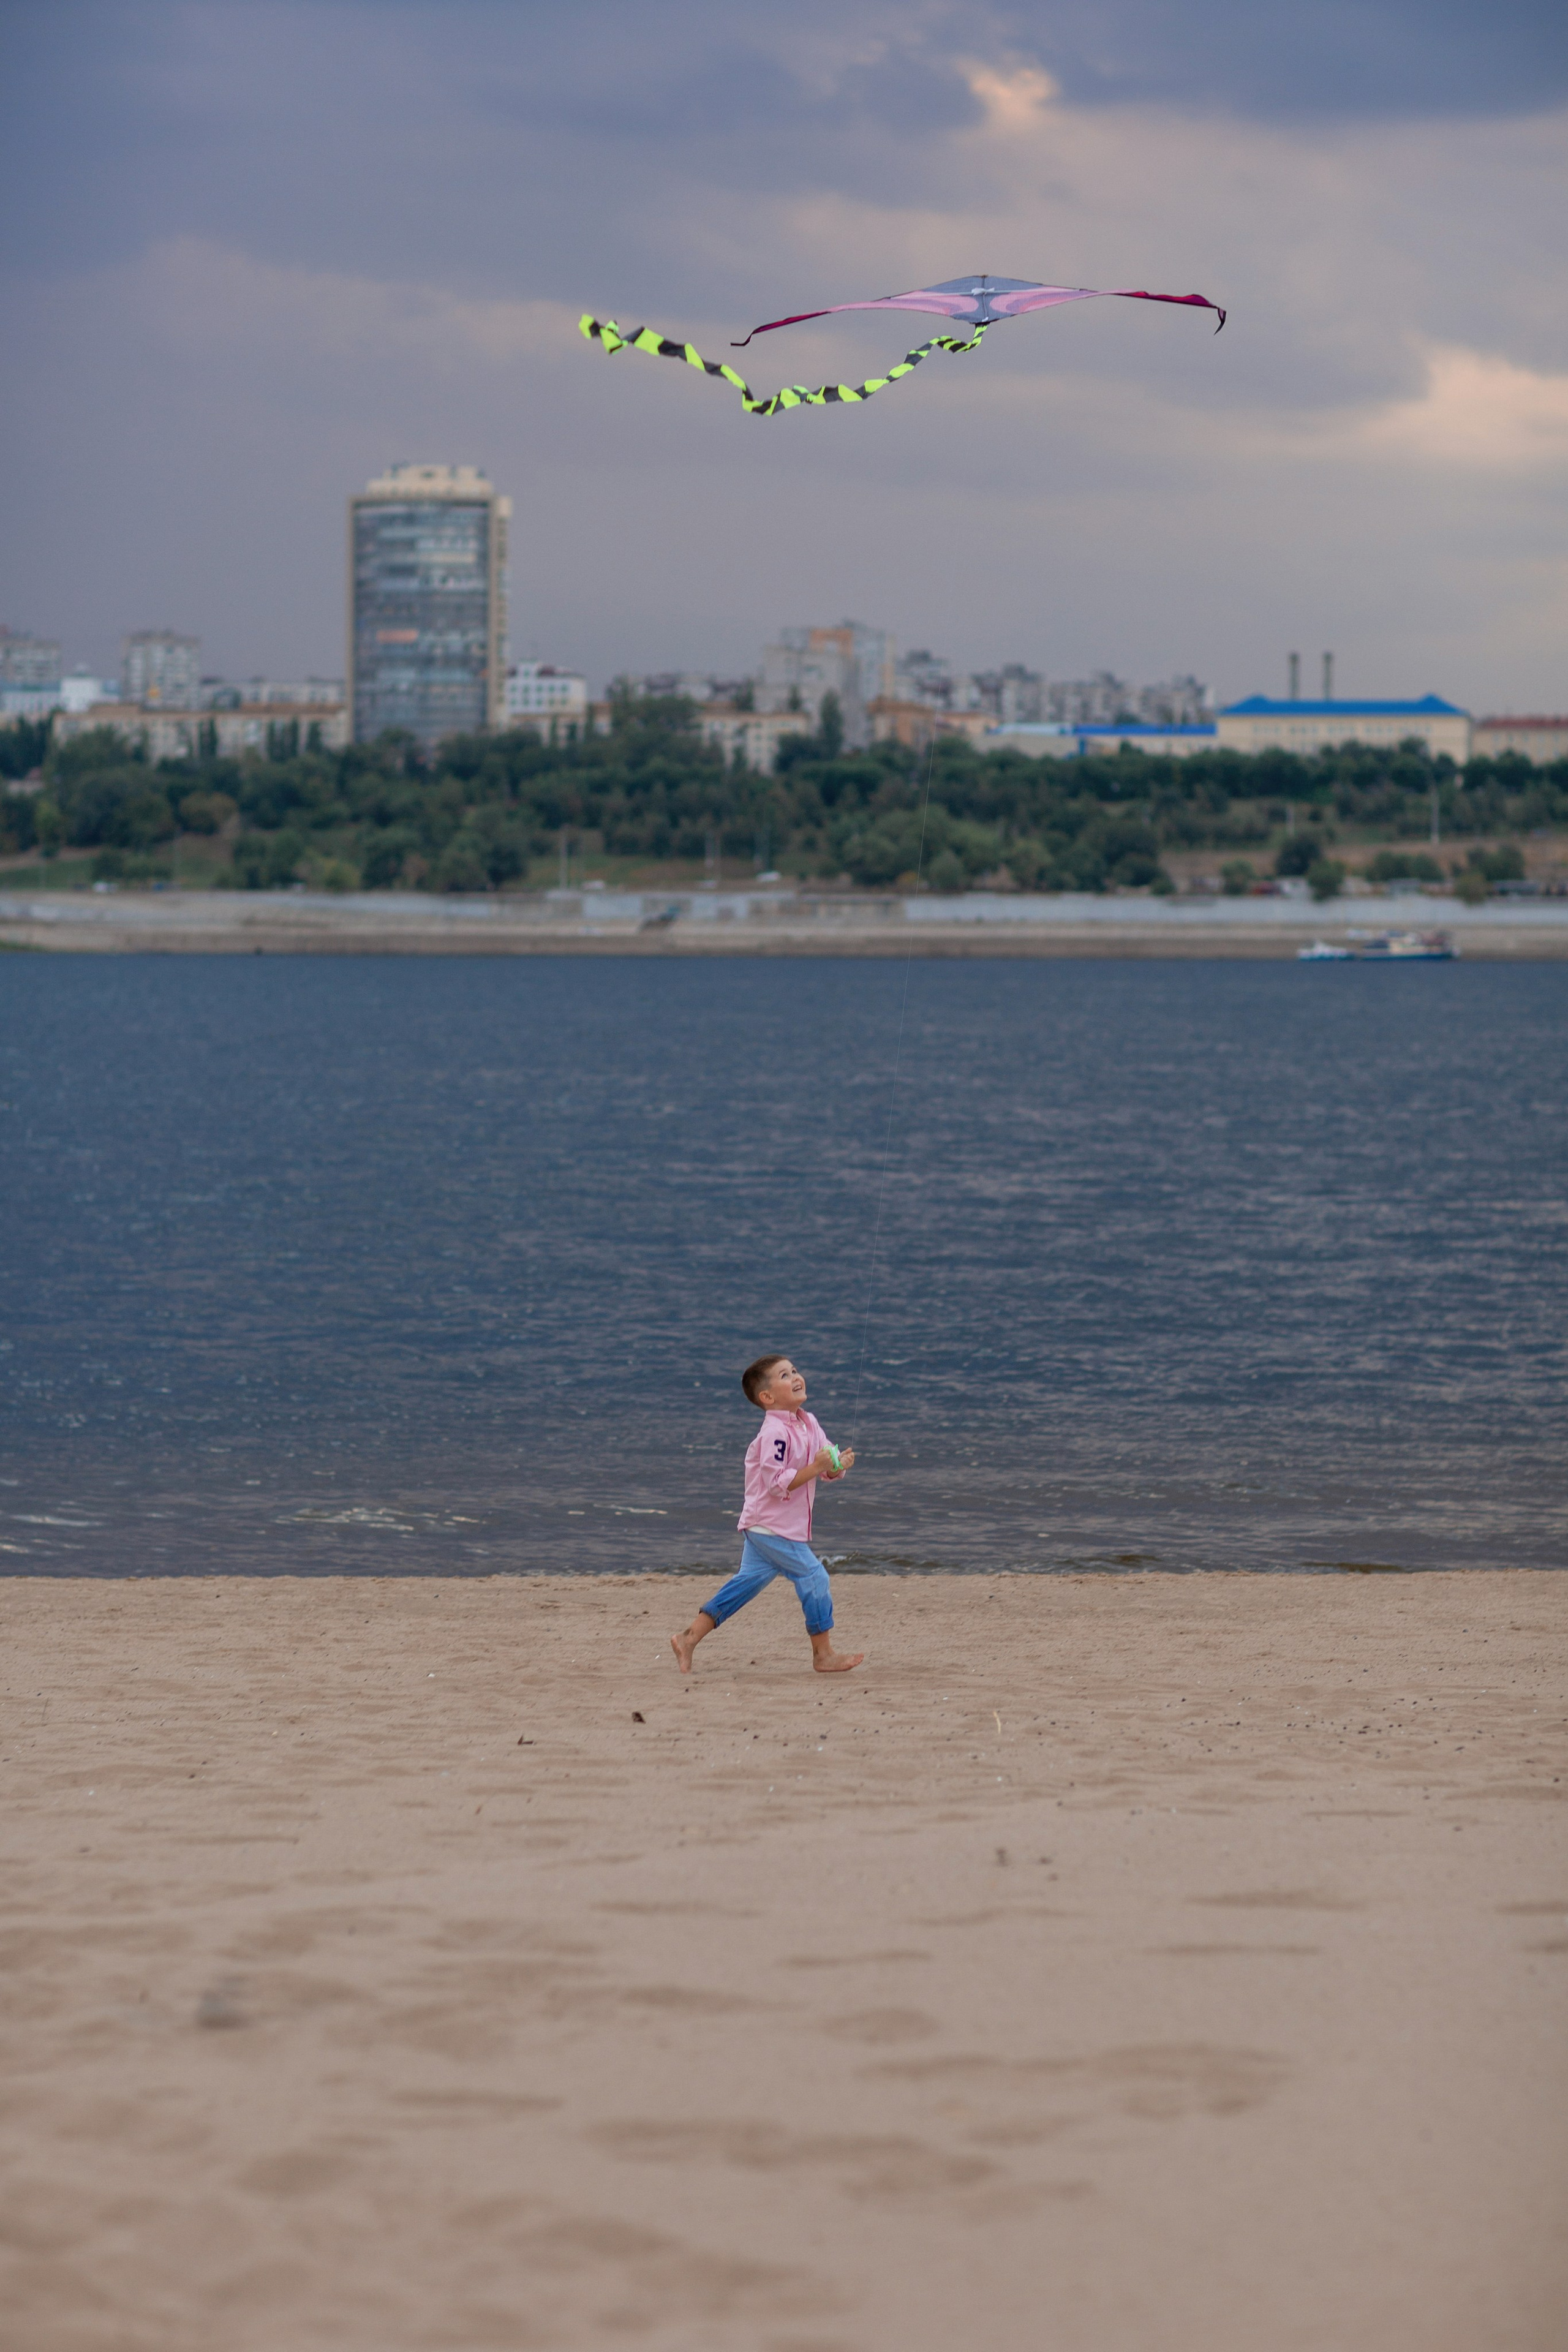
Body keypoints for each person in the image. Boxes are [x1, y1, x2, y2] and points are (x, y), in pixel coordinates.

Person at [671, 1354, 864, 1675]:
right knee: (815, 1577)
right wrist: (815, 1467)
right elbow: (777, 1484)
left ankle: (688, 1638)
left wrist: (836, 1465)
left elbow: (824, 1462)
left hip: (774, 1527)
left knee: (745, 1585)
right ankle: (823, 1654)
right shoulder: (774, 1433)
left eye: (795, 1370)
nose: (796, 1376)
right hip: (770, 1527)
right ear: (767, 1397)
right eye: (785, 1375)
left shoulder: (809, 1422)